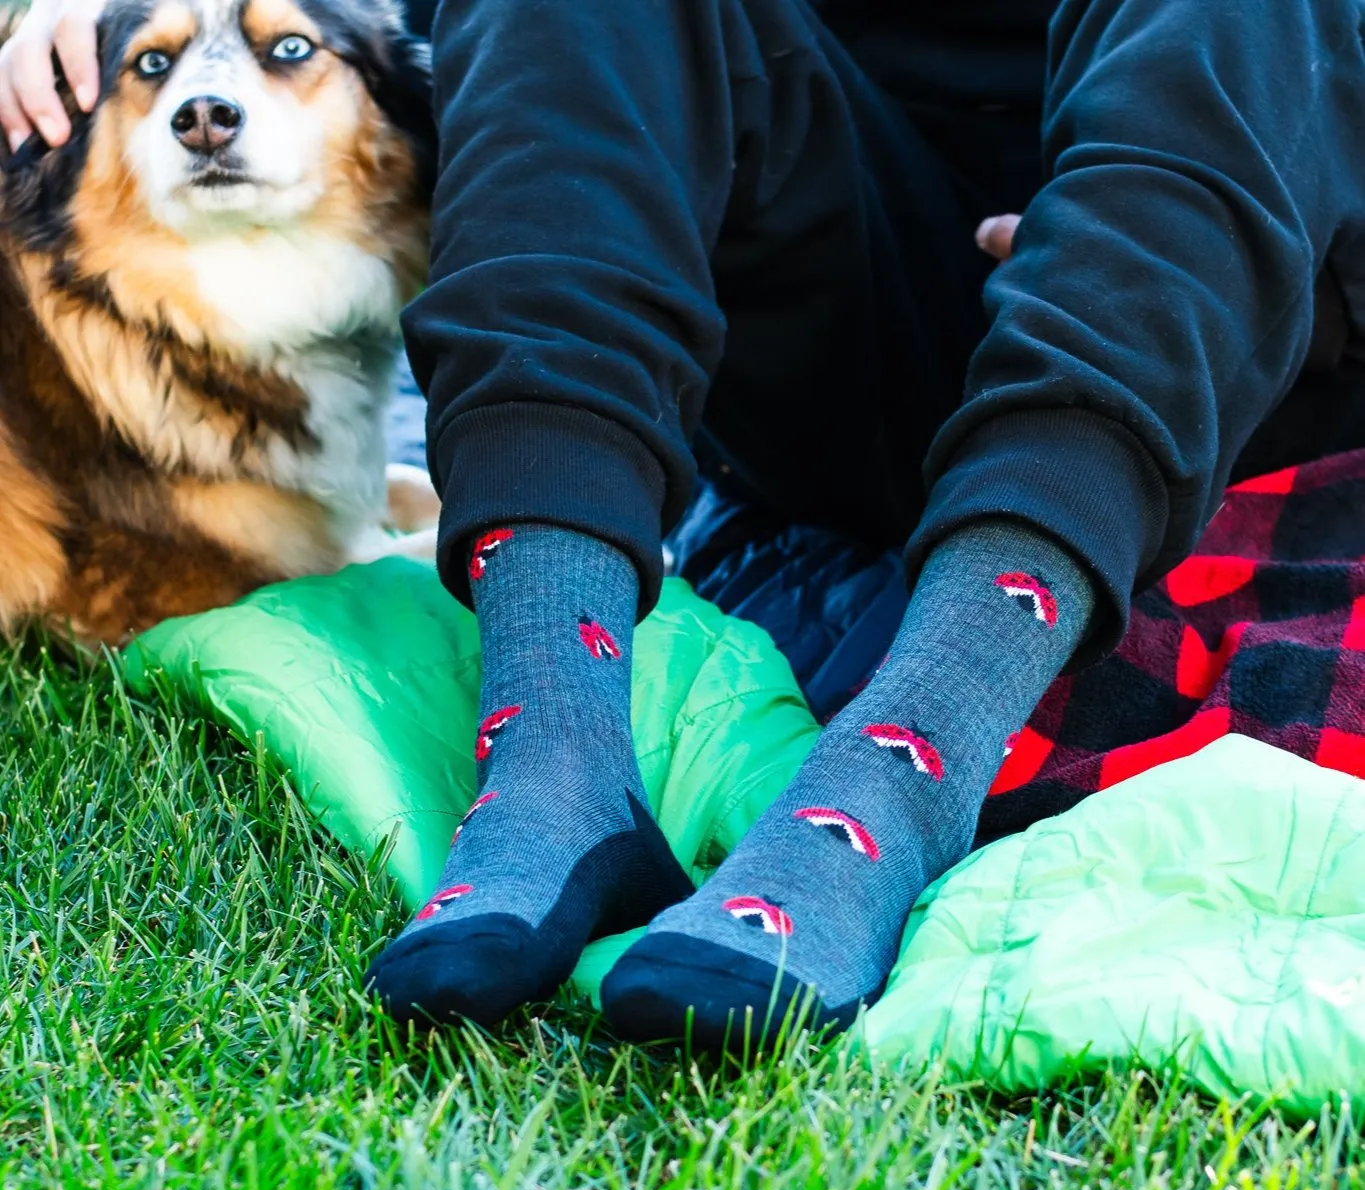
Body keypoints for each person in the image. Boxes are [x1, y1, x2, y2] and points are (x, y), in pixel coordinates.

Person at [9, 0, 1365, 1051]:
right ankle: (556, 763)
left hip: (1208, 324)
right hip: (858, 316)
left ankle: (902, 777)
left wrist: (1186, 231)